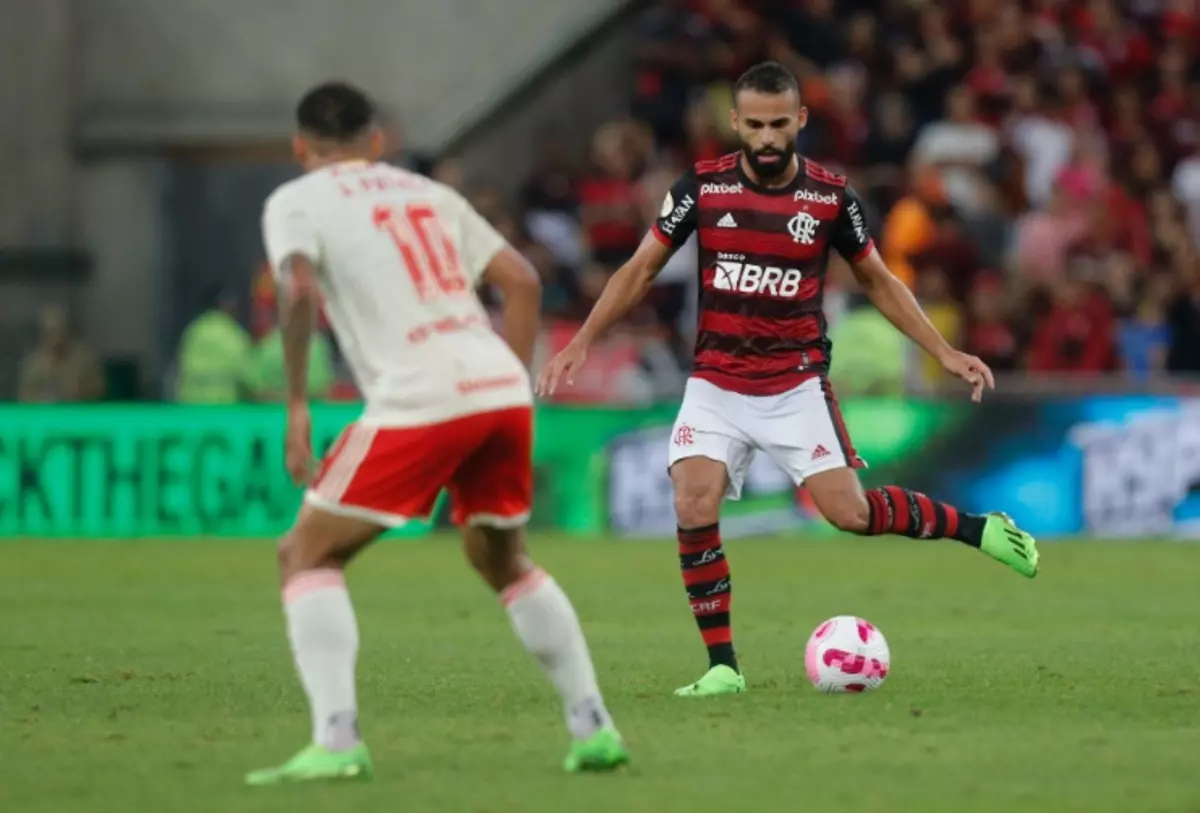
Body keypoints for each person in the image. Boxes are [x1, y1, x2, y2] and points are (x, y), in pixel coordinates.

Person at [539, 62, 1040, 699]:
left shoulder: (831, 198)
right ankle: (723, 665)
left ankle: (980, 528)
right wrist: (583, 340)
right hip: (715, 382)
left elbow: (879, 281)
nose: (768, 137)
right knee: (693, 501)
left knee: (850, 514)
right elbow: (638, 270)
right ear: (736, 123)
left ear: (799, 120)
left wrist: (942, 350)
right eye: (756, 125)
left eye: (780, 123)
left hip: (795, 383)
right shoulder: (702, 190)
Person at [249, 82, 627, 785]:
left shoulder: (295, 202)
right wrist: (509, 382)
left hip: (418, 395)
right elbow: (520, 281)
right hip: (495, 383)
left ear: (302, 147)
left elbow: (298, 290)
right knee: (501, 559)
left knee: (304, 554)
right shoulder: (427, 192)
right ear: (377, 141)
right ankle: (593, 724)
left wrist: (297, 403)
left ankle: (336, 739)